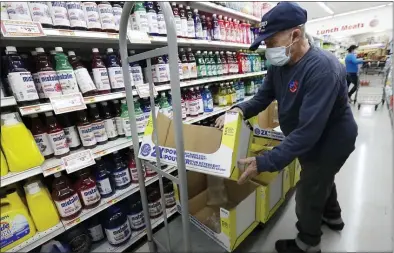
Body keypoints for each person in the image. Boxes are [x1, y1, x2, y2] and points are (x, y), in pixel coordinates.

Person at [215, 2, 358, 253]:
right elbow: (263, 97)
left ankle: (307, 243)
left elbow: (308, 132)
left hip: (331, 141)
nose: (267, 49)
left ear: (295, 34)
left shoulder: (322, 68)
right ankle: (333, 216)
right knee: (322, 180)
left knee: (308, 190)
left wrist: (263, 162)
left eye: (271, 41)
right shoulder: (279, 65)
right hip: (310, 138)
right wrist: (239, 109)